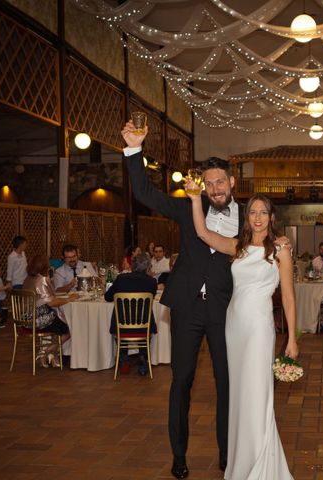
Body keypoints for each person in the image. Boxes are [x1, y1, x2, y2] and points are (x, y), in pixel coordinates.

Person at [122, 120, 246, 478]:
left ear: (232, 182)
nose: (215, 188)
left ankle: (227, 456)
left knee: (227, 383)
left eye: (220, 181)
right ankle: (179, 456)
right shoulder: (187, 207)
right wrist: (134, 150)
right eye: (209, 183)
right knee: (181, 382)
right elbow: (145, 193)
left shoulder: (250, 214)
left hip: (226, 309)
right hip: (187, 308)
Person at [185, 177, 298, 480]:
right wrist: (196, 197)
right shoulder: (239, 246)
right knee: (238, 394)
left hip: (260, 328)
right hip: (233, 326)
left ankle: (262, 463)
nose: (258, 218)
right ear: (246, 217)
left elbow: (287, 296)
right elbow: (203, 233)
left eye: (263, 212)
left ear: (271, 217)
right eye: (253, 212)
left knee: (257, 393)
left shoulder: (281, 250)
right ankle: (242, 462)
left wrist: (292, 339)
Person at [105, 252, 158, 376]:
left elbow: (108, 297)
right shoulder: (151, 282)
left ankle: (123, 358)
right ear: (148, 267)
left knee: (123, 321)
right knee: (144, 320)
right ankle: (143, 358)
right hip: (144, 326)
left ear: (133, 266)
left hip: (121, 325)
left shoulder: (121, 279)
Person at [22, 254, 76, 368]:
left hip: (25, 318)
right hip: (38, 319)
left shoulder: (27, 279)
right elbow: (51, 302)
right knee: (69, 330)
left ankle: (54, 356)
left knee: (59, 324)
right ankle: (44, 353)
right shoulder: (42, 280)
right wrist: (70, 299)